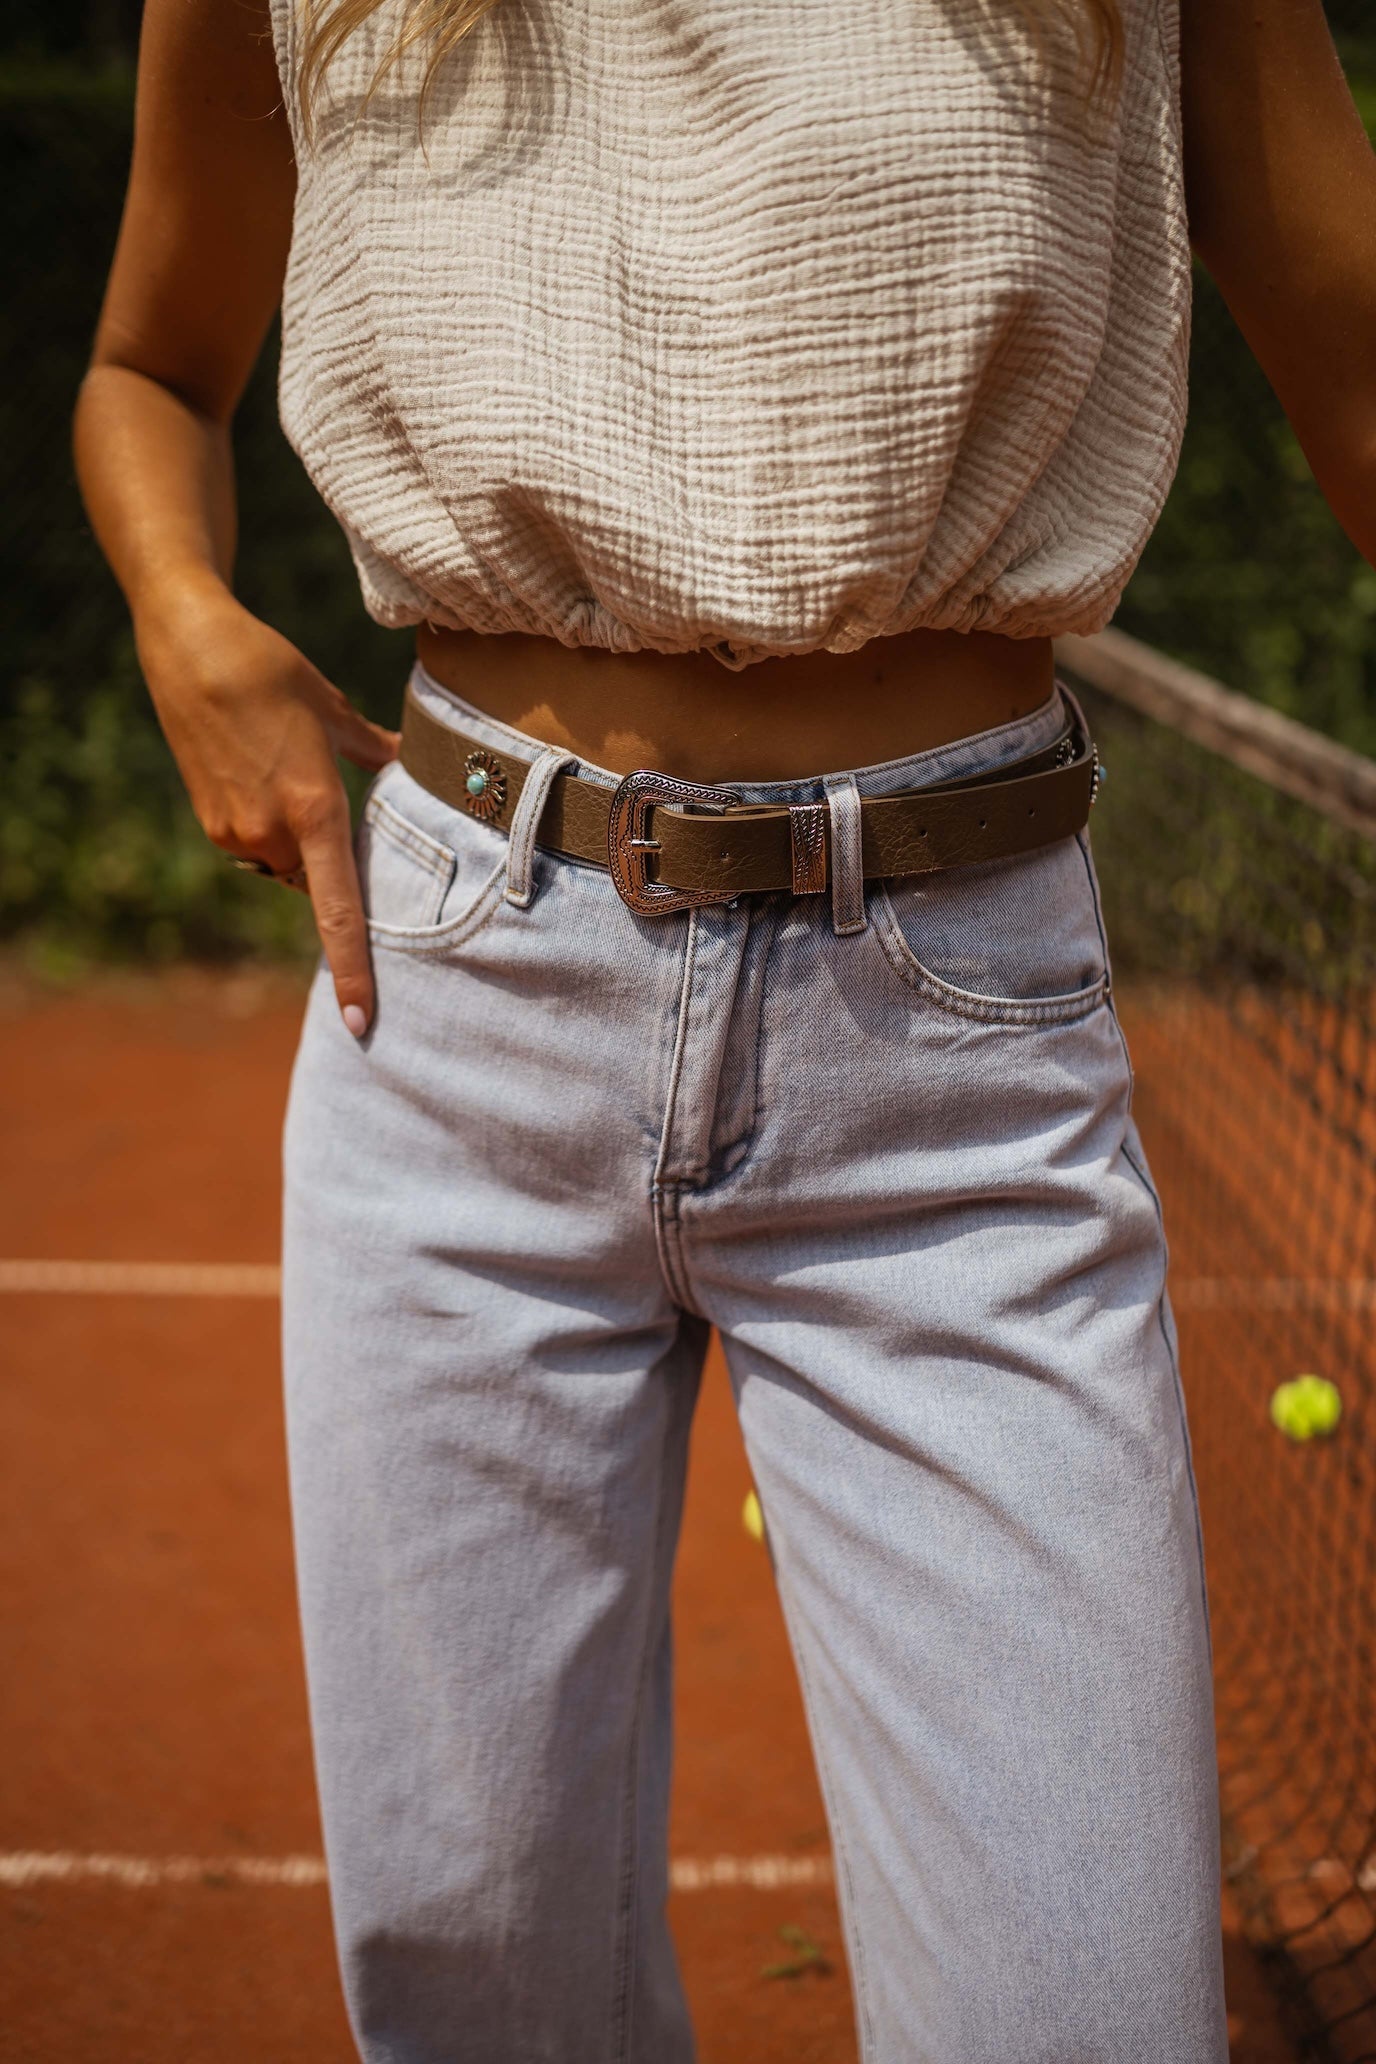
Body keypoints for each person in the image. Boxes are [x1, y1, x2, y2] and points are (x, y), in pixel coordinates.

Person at [74, 0, 1376, 2055]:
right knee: (475, 1974)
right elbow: (150, 367)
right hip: (457, 1009)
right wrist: (183, 616)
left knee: (1086, 2018)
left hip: (956, 1059)